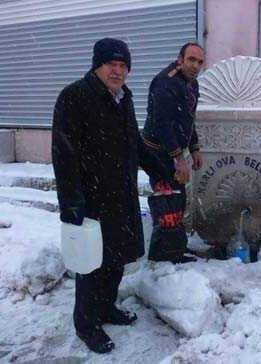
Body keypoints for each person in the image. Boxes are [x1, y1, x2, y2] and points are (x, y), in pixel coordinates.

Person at [52, 38, 169, 354]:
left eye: (123, 66)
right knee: (91, 265)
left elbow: (136, 144)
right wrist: (72, 204)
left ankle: (106, 308)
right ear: (97, 65)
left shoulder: (123, 98)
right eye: (111, 64)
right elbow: (64, 155)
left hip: (121, 195)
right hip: (90, 200)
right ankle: (86, 324)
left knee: (115, 259)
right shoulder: (74, 97)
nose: (118, 71)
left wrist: (158, 171)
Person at [142, 42, 206, 263]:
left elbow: (188, 121)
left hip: (173, 152)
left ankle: (175, 251)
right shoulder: (165, 83)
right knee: (167, 201)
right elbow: (163, 125)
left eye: (200, 62)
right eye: (191, 59)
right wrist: (179, 158)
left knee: (178, 199)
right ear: (180, 59)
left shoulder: (192, 84)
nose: (196, 65)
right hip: (158, 154)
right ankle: (161, 258)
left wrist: (194, 148)